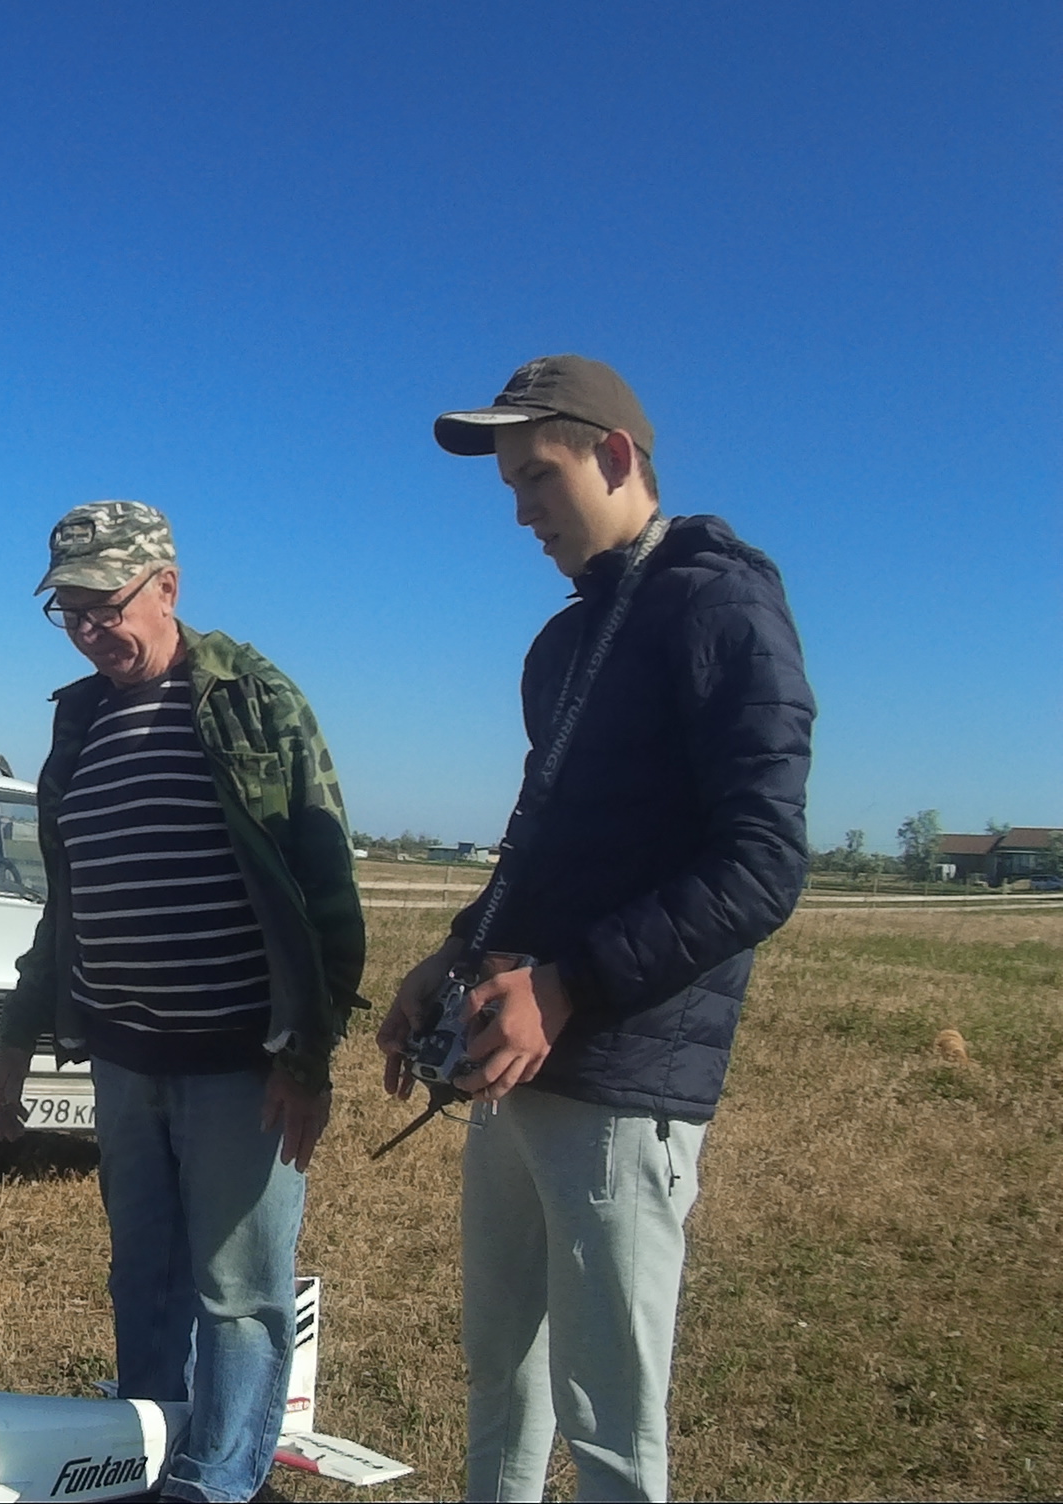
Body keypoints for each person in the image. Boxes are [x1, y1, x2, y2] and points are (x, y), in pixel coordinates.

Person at [378, 356, 814, 1502]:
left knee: (610, 1417)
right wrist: (457, 952)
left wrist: (569, 984)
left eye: (539, 476)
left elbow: (763, 864)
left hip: (624, 1076)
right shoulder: (566, 646)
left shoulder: (721, 607)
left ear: (616, 455)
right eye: (511, 486)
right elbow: (545, 844)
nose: (522, 511)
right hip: (516, 1067)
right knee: (498, 1374)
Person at [0, 500, 366, 1504]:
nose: (89, 631)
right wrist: (16, 1041)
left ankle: (218, 1482)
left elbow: (325, 888)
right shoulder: (82, 719)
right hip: (122, 1057)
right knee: (144, 1278)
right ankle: (143, 1457)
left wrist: (307, 1058)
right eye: (68, 613)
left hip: (239, 1062)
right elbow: (67, 904)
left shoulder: (253, 700)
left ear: (167, 587)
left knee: (237, 1294)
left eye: (104, 606)